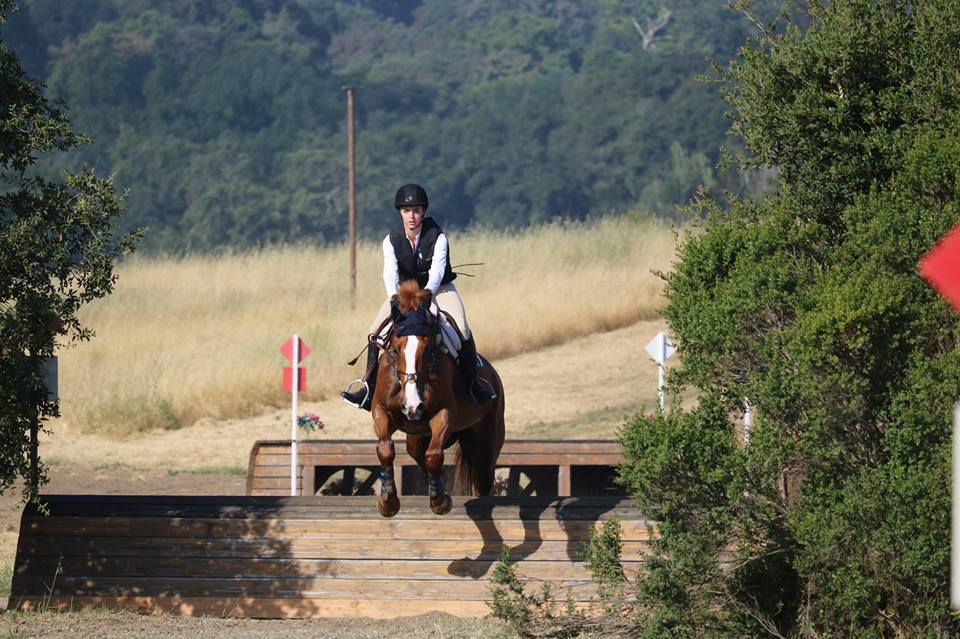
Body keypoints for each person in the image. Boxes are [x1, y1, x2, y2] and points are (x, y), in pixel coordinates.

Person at [341, 183, 497, 410]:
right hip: (405, 292)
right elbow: (390, 272)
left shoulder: (438, 237)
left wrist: (428, 293)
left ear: (423, 211)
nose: (411, 216)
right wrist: (393, 296)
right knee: (375, 331)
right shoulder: (390, 240)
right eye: (406, 211)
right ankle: (367, 387)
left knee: (461, 328)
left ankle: (474, 384)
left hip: (440, 289)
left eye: (416, 210)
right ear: (400, 213)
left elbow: (436, 272)